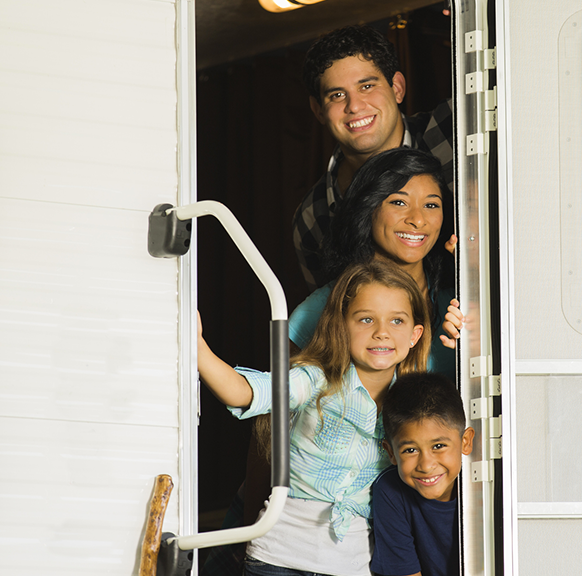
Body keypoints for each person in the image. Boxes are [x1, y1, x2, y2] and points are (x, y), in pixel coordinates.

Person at [197, 261, 432, 576]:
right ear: (341, 326)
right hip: (278, 558)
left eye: (397, 321)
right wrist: (197, 347)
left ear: (415, 334)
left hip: (353, 565)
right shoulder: (316, 379)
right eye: (365, 319)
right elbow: (245, 392)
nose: (382, 333)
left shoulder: (412, 403)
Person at [294, 24, 454, 292]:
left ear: (397, 88)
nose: (354, 106)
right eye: (337, 95)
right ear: (318, 110)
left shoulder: (454, 130)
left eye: (367, 86)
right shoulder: (313, 218)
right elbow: (332, 322)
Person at [290, 147, 463, 377]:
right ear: (368, 209)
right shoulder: (318, 309)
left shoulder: (459, 303)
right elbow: (285, 404)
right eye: (399, 202)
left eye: (431, 205)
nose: (418, 220)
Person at [371, 371, 474, 576]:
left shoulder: (484, 482)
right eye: (410, 450)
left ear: (465, 442)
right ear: (391, 452)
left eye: (438, 446)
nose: (426, 466)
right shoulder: (390, 491)